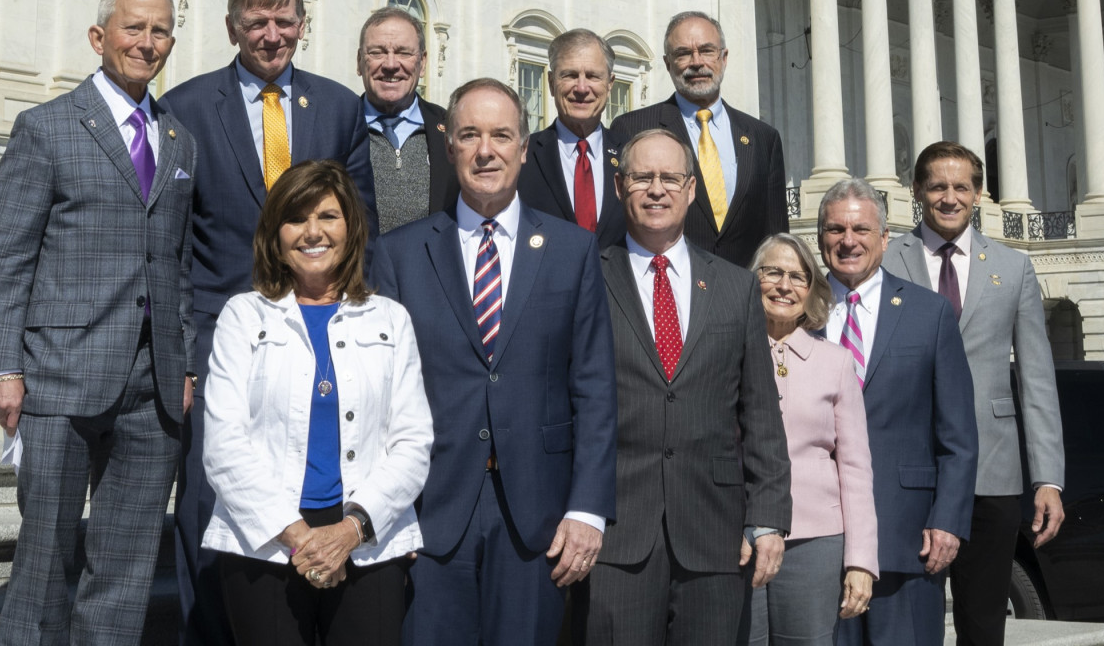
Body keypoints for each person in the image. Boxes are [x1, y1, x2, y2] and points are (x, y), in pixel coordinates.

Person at [0, 0, 196, 646]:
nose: (146, 42)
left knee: (124, 575)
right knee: (43, 565)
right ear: (100, 36)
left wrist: (183, 358)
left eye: (159, 31)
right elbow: (6, 256)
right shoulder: (44, 130)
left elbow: (177, 263)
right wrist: (1, 366)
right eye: (133, 27)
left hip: (153, 389)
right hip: (59, 378)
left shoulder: (179, 139)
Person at [162, 0, 377, 645]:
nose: (272, 33)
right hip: (222, 344)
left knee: (315, 492)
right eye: (257, 21)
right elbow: (171, 246)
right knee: (212, 502)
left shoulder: (340, 108)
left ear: (303, 27)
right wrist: (185, 357)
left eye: (285, 20)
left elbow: (360, 225)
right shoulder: (188, 107)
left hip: (324, 336)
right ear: (232, 28)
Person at [370, 78, 616, 646]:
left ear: (524, 149)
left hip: (539, 516)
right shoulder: (400, 254)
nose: (487, 150)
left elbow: (595, 388)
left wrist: (588, 509)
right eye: (470, 135)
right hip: (431, 508)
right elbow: (379, 392)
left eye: (502, 135)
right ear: (449, 144)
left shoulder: (571, 250)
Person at [203, 160, 433, 645]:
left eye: (328, 216)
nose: (312, 232)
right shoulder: (242, 316)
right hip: (263, 541)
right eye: (295, 218)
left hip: (367, 542)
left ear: (350, 228)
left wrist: (350, 531)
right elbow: (224, 445)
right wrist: (301, 539)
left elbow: (412, 442)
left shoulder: (389, 319)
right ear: (275, 234)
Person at [582, 128, 792, 644]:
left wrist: (767, 518)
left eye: (670, 178)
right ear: (618, 186)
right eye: (642, 178)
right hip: (615, 534)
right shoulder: (586, 276)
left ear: (691, 189)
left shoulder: (737, 286)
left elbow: (761, 414)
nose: (657, 189)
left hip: (715, 534)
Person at [882, 142, 1065, 646]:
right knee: (909, 620)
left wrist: (1048, 478)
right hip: (910, 469)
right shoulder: (886, 260)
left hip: (993, 469)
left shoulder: (1014, 266)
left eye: (961, 186)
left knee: (983, 623)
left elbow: (1037, 381)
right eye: (938, 186)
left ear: (979, 194)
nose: (949, 197)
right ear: (917, 190)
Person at [817, 178, 978, 646]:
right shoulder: (796, 316)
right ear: (820, 238)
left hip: (909, 536)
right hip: (817, 541)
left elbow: (959, 436)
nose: (849, 241)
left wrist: (948, 519)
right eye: (836, 230)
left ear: (885, 238)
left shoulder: (929, 314)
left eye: (862, 229)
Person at [748, 232, 878, 645]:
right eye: (772, 272)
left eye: (798, 276)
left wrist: (861, 561)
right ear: (752, 280)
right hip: (739, 536)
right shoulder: (725, 350)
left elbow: (856, 468)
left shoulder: (836, 362)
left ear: (812, 290)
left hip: (816, 542)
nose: (784, 285)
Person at [608, 11, 787, 265]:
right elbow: (619, 221)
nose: (697, 62)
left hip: (743, 294)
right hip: (666, 289)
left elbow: (777, 237)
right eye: (683, 53)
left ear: (723, 58)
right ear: (668, 63)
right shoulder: (631, 129)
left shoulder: (762, 138)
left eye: (706, 50)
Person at [516, 29, 627, 248]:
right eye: (570, 75)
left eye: (593, 76)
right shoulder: (521, 157)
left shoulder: (631, 156)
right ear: (550, 82)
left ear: (610, 84)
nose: (582, 88)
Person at [356, 6, 457, 231]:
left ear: (422, 63)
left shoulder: (452, 130)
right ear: (359, 62)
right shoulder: (337, 127)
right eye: (377, 52)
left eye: (403, 53)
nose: (391, 65)